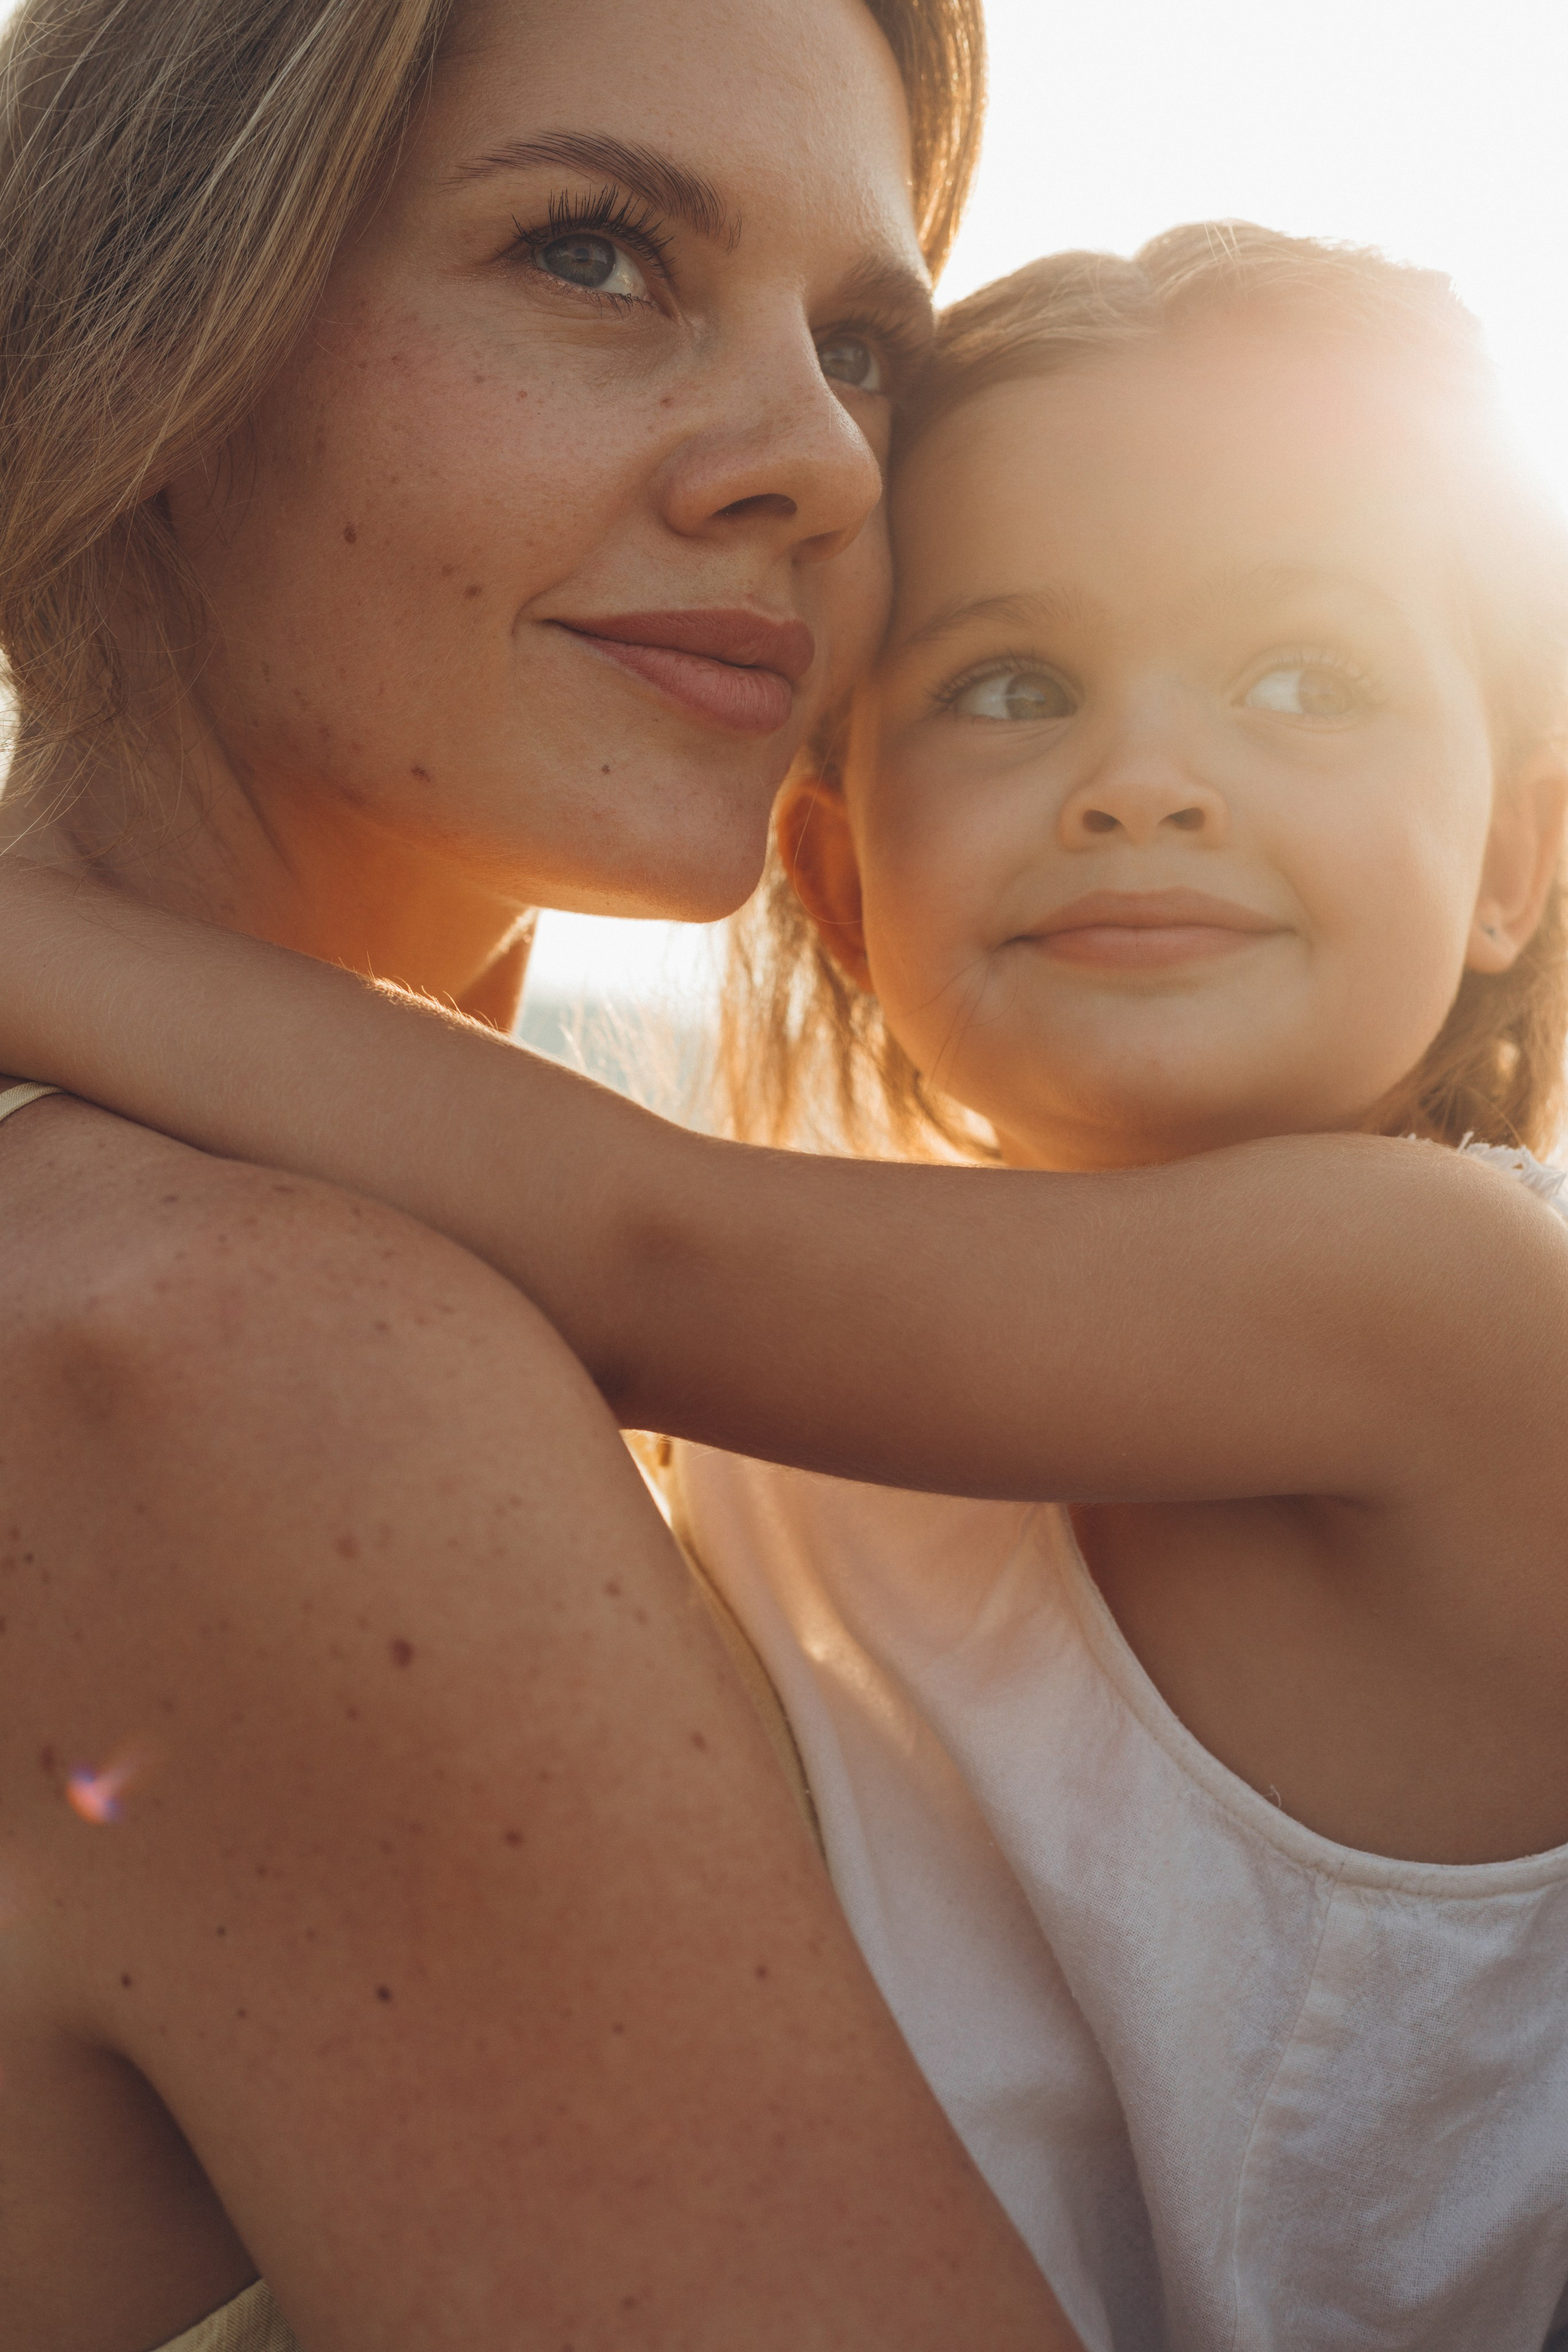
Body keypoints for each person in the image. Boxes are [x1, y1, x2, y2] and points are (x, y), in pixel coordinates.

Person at [10, 222, 1568, 2350]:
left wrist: (40, 943)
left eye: (1305, 678)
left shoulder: (1457, 1294)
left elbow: (639, 1240)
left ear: (1511, 862)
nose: (1146, 778)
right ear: (839, 886)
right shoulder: (857, 1397)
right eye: (1015, 687)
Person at [0, 0, 1089, 2345]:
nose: (815, 457)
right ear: (162, 328)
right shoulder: (251, 1371)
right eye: (593, 256)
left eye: (866, 343)